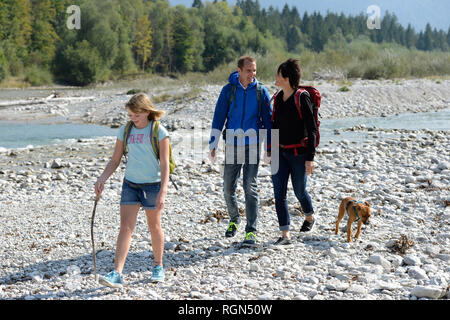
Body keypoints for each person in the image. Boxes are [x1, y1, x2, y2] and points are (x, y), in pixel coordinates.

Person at [94, 93, 169, 288]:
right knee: (125, 227)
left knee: (154, 227)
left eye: (136, 115)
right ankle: (117, 272)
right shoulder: (125, 131)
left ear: (146, 111)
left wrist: (163, 191)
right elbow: (115, 159)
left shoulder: (159, 131)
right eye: (130, 115)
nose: (133, 118)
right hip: (131, 184)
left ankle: (158, 266)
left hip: (153, 185)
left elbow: (165, 165)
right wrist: (102, 178)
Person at [209, 55, 272, 246]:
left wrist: (269, 147)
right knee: (228, 187)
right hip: (232, 144)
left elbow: (269, 120)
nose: (252, 74)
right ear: (239, 70)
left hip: (253, 144)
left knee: (249, 186)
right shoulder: (228, 90)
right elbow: (219, 117)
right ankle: (235, 219)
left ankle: (251, 231)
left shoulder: (261, 91)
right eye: (248, 70)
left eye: (254, 70)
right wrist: (213, 143)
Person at [270, 59, 317, 245]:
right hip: (279, 154)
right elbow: (274, 127)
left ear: (287, 78)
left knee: (299, 191)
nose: (276, 77)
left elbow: (312, 129)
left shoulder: (301, 97)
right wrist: (271, 152)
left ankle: (309, 216)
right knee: (278, 194)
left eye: (278, 74)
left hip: (299, 155)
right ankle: (285, 234)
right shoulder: (278, 98)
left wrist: (310, 158)